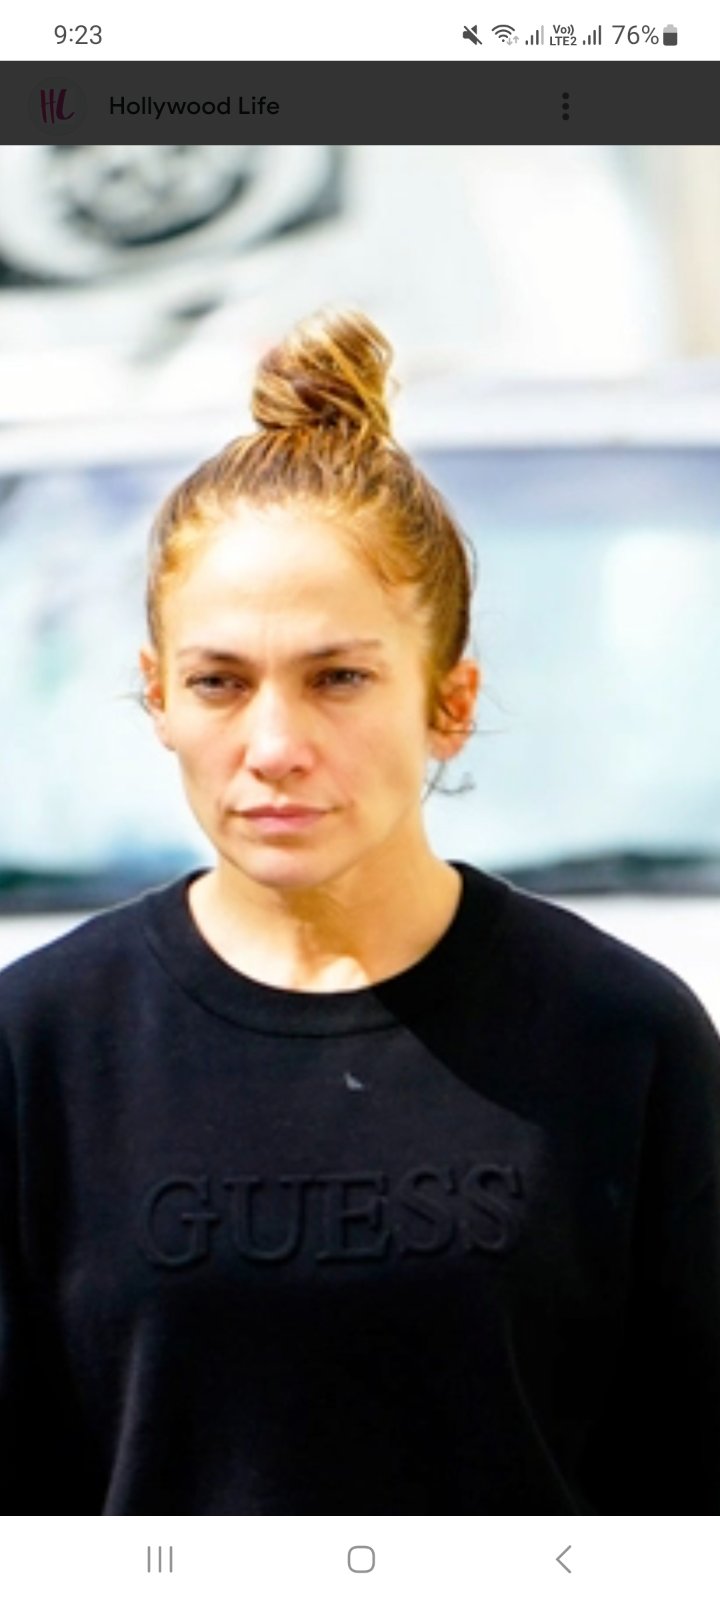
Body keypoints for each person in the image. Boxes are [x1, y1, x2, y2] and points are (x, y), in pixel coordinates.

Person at [1, 307, 719, 1516]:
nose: (274, 744)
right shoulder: (42, 1046)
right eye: (219, 681)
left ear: (451, 702)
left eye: (339, 677)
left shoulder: (623, 1035)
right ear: (157, 698)